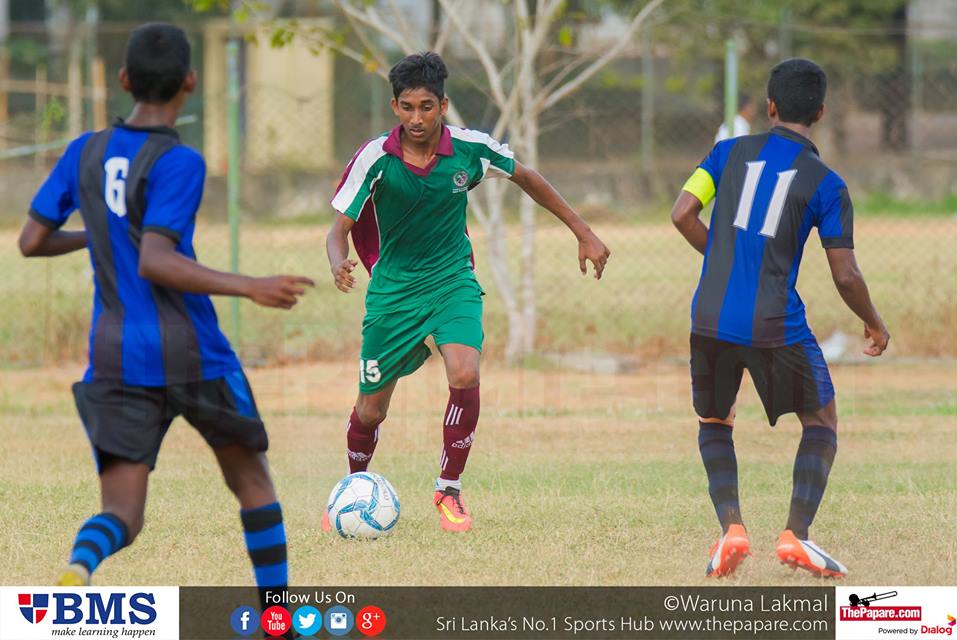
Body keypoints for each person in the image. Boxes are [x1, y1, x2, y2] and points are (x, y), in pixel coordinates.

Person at [18, 23, 312, 594]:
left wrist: (104, 233)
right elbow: (155, 259)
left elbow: (31, 241)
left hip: (114, 357)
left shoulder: (84, 150)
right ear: (191, 82)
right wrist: (250, 284)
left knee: (123, 515)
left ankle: (80, 564)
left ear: (125, 80)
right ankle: (278, 620)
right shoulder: (180, 161)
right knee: (252, 481)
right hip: (192, 353)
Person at [325, 52, 610, 533]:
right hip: (393, 293)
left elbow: (529, 179)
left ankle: (448, 489)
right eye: (408, 107)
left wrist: (584, 232)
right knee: (371, 409)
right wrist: (338, 262)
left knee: (464, 369)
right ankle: (355, 490)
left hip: (451, 280)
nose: (418, 118)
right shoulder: (375, 156)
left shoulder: (470, 149)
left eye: (428, 106)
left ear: (444, 105)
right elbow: (338, 230)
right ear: (395, 107)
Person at [670, 58, 889, 578]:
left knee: (715, 420)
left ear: (769, 106)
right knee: (821, 421)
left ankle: (732, 530)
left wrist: (723, 259)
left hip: (709, 319)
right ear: (819, 111)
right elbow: (847, 275)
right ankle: (796, 535)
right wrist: (874, 322)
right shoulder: (827, 184)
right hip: (775, 324)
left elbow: (681, 212)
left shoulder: (724, 154)